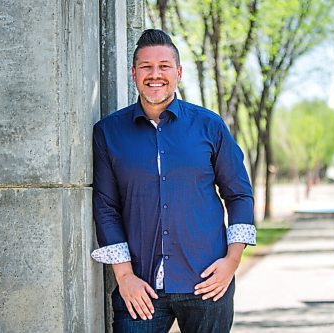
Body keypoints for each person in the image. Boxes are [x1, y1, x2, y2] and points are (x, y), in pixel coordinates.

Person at [91, 29, 256, 333]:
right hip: (140, 288)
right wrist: (124, 276)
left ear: (178, 72)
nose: (155, 75)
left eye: (164, 66)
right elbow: (106, 207)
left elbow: (239, 195)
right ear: (134, 73)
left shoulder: (211, 126)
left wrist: (231, 263)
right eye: (146, 66)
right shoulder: (108, 132)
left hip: (208, 283)